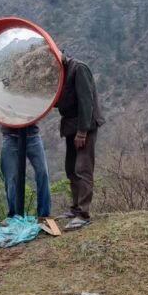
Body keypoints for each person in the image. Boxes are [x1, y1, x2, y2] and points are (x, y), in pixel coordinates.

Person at [56, 53, 105, 230]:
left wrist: (82, 132)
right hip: (70, 126)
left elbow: (86, 101)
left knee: (83, 168)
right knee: (71, 168)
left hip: (85, 126)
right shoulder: (59, 73)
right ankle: (75, 207)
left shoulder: (79, 69)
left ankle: (83, 213)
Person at [0, 124, 51, 220]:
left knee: (43, 172)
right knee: (11, 177)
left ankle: (44, 215)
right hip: (10, 136)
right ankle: (14, 216)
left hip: (32, 135)